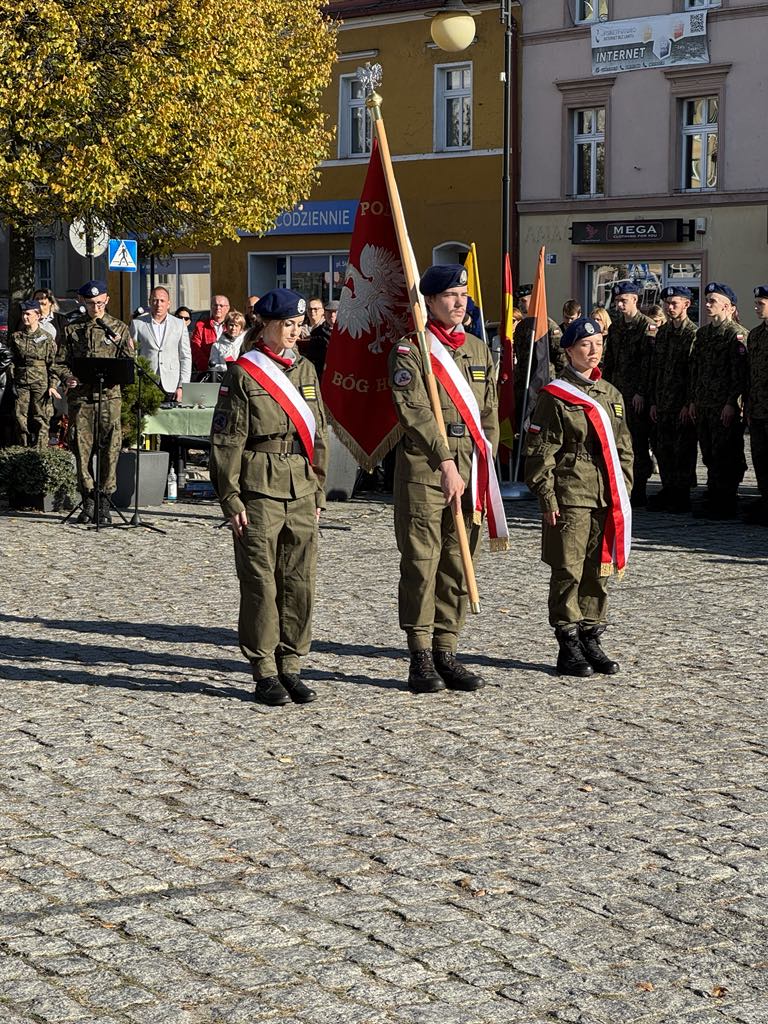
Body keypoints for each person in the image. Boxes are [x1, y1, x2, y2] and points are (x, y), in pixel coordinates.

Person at [388, 264, 504, 694]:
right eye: (449, 296)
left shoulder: (476, 349)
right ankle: (419, 655)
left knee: (459, 559)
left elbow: (488, 411)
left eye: (463, 294)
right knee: (423, 562)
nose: (458, 303)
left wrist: (482, 459)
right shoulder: (411, 350)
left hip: (470, 468)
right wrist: (444, 460)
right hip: (425, 470)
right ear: (430, 302)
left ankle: (446, 649)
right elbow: (413, 411)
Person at [209, 289, 328, 707]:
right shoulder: (244, 374)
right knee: (260, 582)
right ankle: (263, 669)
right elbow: (226, 442)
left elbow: (319, 432)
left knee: (299, 580)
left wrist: (319, 489)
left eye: (299, 325)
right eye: (288, 325)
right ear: (268, 326)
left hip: (300, 487)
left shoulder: (307, 371)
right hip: (258, 489)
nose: (295, 332)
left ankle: (291, 664)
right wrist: (232, 499)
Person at [525, 317, 633, 677]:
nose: (593, 350)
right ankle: (568, 641)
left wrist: (624, 490)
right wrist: (547, 498)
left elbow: (624, 449)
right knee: (568, 569)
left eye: (598, 343)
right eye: (585, 345)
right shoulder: (555, 397)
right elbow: (541, 453)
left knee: (598, 569)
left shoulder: (611, 395)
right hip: (571, 493)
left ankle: (591, 634)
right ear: (569, 350)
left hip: (606, 496)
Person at [58, 280, 133, 524]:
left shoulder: (118, 329)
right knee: (82, 451)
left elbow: (129, 363)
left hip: (109, 398)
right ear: (82, 302)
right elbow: (59, 361)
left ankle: (104, 501)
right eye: (90, 303)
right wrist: (68, 377)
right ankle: (88, 498)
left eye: (100, 303)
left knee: (111, 449)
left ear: (107, 300)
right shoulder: (72, 329)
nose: (96, 308)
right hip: (81, 399)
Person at [688, 282, 748, 520]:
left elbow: (740, 374)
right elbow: (696, 370)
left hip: (724, 404)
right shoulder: (703, 334)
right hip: (704, 403)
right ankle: (714, 495)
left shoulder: (737, 334)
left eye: (712, 301)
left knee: (727, 453)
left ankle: (726, 499)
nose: (707, 304)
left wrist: (732, 403)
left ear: (728, 306)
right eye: (707, 300)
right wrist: (693, 400)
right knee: (710, 453)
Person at [602, 283, 653, 506]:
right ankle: (622, 486)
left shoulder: (646, 326)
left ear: (635, 300)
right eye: (617, 301)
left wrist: (641, 392)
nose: (619, 305)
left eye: (624, 300)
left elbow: (648, 364)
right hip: (617, 393)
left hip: (636, 396)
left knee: (637, 442)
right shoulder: (615, 328)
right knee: (618, 441)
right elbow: (610, 361)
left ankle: (639, 488)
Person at [647, 286, 698, 513]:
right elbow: (656, 369)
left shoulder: (693, 334)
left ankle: (682, 493)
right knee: (663, 448)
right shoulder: (664, 332)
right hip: (663, 401)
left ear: (686, 304)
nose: (669, 307)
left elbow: (695, 373)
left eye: (674, 303)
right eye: (667, 303)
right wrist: (654, 401)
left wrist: (689, 403)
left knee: (683, 450)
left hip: (681, 403)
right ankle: (668, 489)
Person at [9, 299, 60, 448]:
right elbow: (11, 360)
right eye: (23, 314)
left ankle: (40, 450)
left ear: (37, 315)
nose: (25, 317)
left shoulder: (47, 338)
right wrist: (12, 379)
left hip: (40, 382)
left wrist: (52, 385)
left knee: (41, 417)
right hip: (21, 382)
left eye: (28, 314)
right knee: (19, 416)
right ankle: (22, 448)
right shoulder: (16, 337)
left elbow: (53, 364)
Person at [130, 287, 191, 401]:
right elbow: (133, 355)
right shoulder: (137, 324)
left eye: (162, 301)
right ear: (149, 302)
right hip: (146, 382)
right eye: (155, 300)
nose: (158, 304)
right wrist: (136, 383)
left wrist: (182, 386)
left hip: (172, 384)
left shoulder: (179, 324)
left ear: (168, 304)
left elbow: (185, 357)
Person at [745, 286, 768, 525]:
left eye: (760, 303)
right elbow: (750, 373)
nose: (755, 307)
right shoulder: (756, 335)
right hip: (758, 408)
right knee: (760, 458)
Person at [190, 294, 230, 373]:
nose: (218, 308)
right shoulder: (201, 326)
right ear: (211, 307)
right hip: (207, 371)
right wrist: (206, 366)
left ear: (227, 308)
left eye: (221, 306)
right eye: (215, 305)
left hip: (229, 371)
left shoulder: (233, 327)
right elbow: (195, 348)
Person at [304, 299, 337, 380]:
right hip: (322, 374)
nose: (332, 315)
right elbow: (311, 358)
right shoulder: (316, 333)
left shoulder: (348, 332)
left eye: (335, 312)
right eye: (329, 312)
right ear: (324, 314)